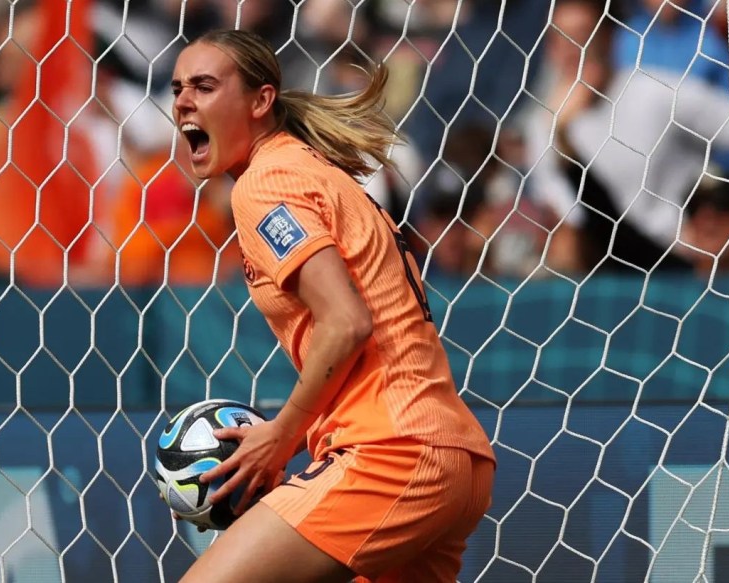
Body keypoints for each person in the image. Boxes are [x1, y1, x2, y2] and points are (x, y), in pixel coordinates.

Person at [167, 28, 496, 583]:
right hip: (454, 457)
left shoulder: (264, 184)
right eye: (178, 88)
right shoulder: (314, 172)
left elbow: (346, 322)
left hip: (392, 454)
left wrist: (281, 437)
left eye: (204, 86)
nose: (183, 101)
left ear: (260, 101)